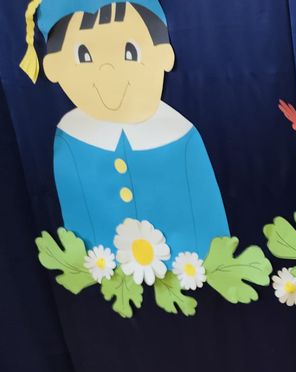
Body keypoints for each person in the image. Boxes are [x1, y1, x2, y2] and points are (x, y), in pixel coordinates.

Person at [22, 0, 229, 262]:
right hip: (106, 263)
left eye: (130, 51)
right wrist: (89, 263)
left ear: (164, 55)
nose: (107, 69)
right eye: (83, 55)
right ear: (54, 67)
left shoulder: (180, 135)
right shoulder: (71, 137)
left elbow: (205, 208)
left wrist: (213, 262)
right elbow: (77, 210)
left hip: (185, 264)